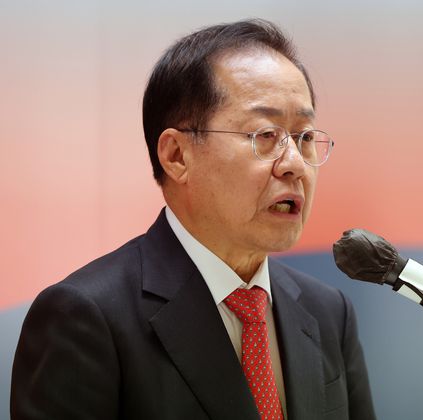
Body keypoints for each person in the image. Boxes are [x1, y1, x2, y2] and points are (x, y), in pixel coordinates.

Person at [11, 19, 376, 420]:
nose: (294, 164)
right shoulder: (85, 318)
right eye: (265, 135)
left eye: (305, 137)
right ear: (177, 156)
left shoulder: (328, 313)